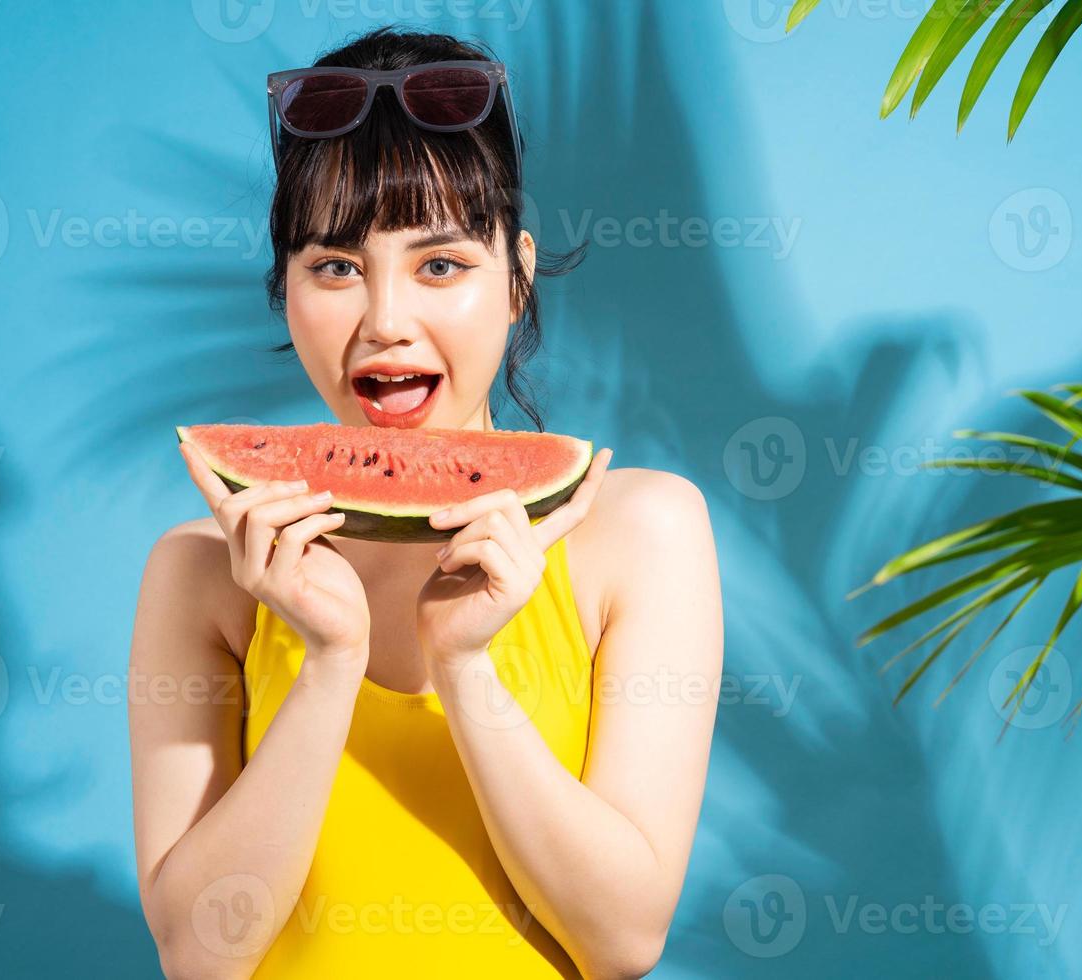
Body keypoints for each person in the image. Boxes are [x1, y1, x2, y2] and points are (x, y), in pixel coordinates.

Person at [128, 25, 722, 978]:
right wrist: (329, 660)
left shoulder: (642, 532)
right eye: (334, 267)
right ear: (284, 288)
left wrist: (466, 666)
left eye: (440, 264)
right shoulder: (204, 570)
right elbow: (201, 957)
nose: (386, 322)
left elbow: (621, 941)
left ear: (518, 276)